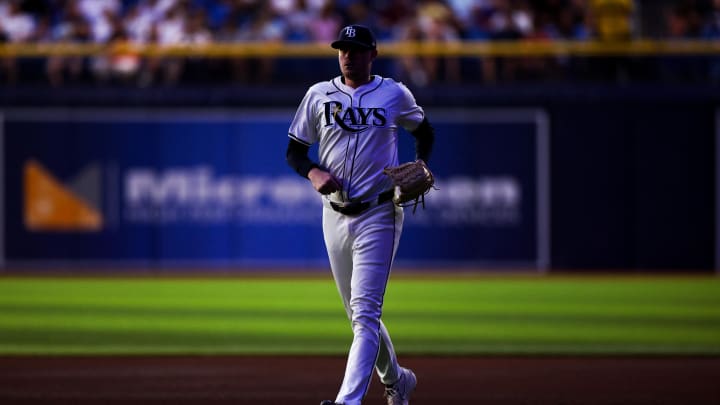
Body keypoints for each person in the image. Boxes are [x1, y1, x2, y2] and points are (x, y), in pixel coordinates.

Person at [285, 24, 434, 405]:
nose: (348, 55)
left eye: (355, 49)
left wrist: (420, 163)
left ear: (373, 54)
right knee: (358, 317)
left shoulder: (393, 93)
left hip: (379, 214)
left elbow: (424, 130)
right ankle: (398, 381)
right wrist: (313, 171)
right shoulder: (318, 95)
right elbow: (295, 151)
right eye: (343, 49)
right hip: (333, 215)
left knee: (365, 314)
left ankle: (346, 402)